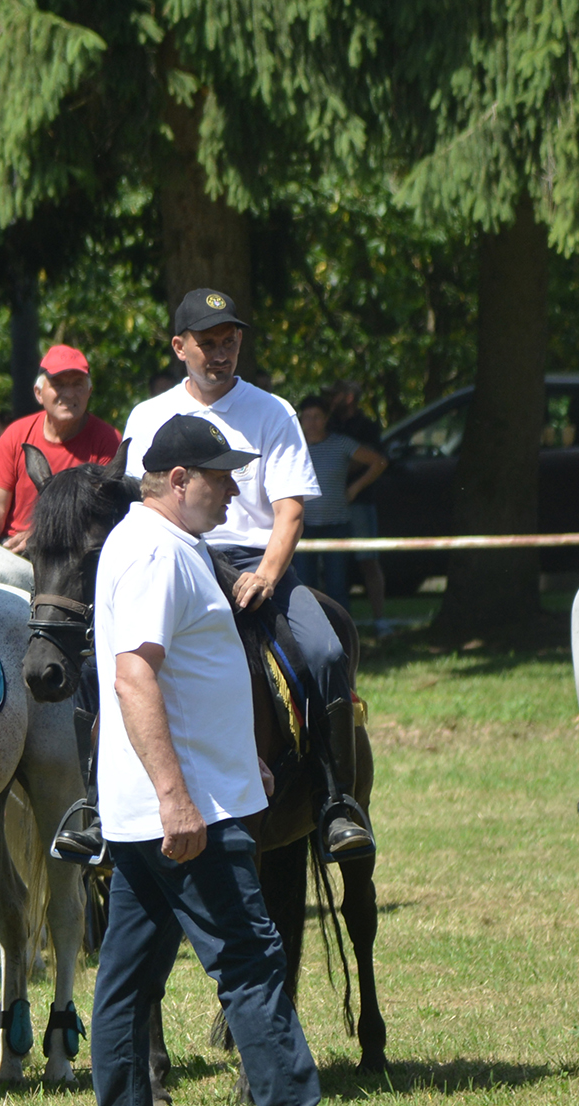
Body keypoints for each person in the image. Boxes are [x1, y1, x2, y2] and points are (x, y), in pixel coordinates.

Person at [86, 412, 400, 1106]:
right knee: (254, 960)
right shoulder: (157, 554)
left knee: (128, 976)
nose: (237, 492)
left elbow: (192, 679)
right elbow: (135, 675)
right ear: (181, 480)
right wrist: (178, 795)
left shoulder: (166, 545)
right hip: (186, 813)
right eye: (223, 478)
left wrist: (237, 760)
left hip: (169, 803)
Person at [121, 289, 373, 862]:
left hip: (256, 563)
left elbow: (290, 510)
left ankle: (336, 803)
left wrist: (266, 573)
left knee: (327, 652)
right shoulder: (147, 416)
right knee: (102, 657)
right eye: (207, 343)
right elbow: (132, 505)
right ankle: (92, 801)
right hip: (176, 559)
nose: (220, 353)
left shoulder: (272, 410)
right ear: (178, 346)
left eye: (229, 341)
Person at [0, 344, 122, 552]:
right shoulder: (16, 434)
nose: (69, 393)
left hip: (73, 552)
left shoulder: (107, 440)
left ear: (89, 391)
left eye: (77, 384)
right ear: (39, 393)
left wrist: (43, 536)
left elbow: (102, 515)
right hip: (12, 549)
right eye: (59, 384)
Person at [292, 395, 385, 612]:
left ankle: (342, 634)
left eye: (317, 417)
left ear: (326, 419)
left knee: (337, 586)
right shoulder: (293, 447)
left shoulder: (341, 443)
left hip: (337, 524)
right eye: (307, 417)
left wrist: (356, 488)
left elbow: (378, 462)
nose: (312, 422)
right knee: (304, 585)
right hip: (303, 526)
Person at [325, 380, 389, 626]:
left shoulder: (368, 428)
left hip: (360, 503)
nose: (330, 399)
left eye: (335, 394)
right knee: (331, 564)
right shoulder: (327, 425)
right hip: (329, 505)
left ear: (349, 397)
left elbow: (376, 460)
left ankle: (380, 621)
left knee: (368, 560)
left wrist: (354, 487)